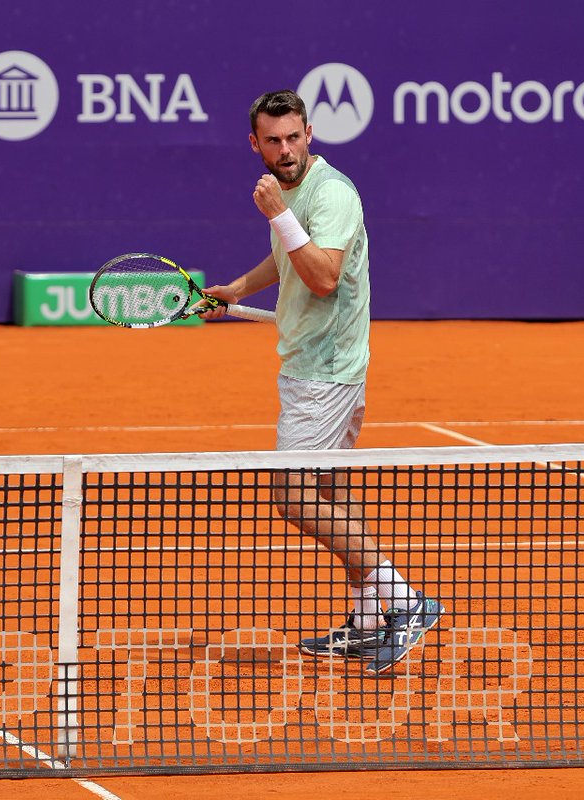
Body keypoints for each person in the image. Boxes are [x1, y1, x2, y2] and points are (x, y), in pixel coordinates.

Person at [202, 90, 442, 675]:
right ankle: (365, 622)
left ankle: (406, 601)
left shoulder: (328, 194)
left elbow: (326, 277)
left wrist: (278, 216)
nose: (284, 151)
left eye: (293, 138)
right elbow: (289, 261)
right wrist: (236, 290)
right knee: (330, 496)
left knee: (293, 496)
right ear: (254, 143)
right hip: (319, 365)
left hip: (324, 374)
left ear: (310, 133)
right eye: (273, 140)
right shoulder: (288, 192)